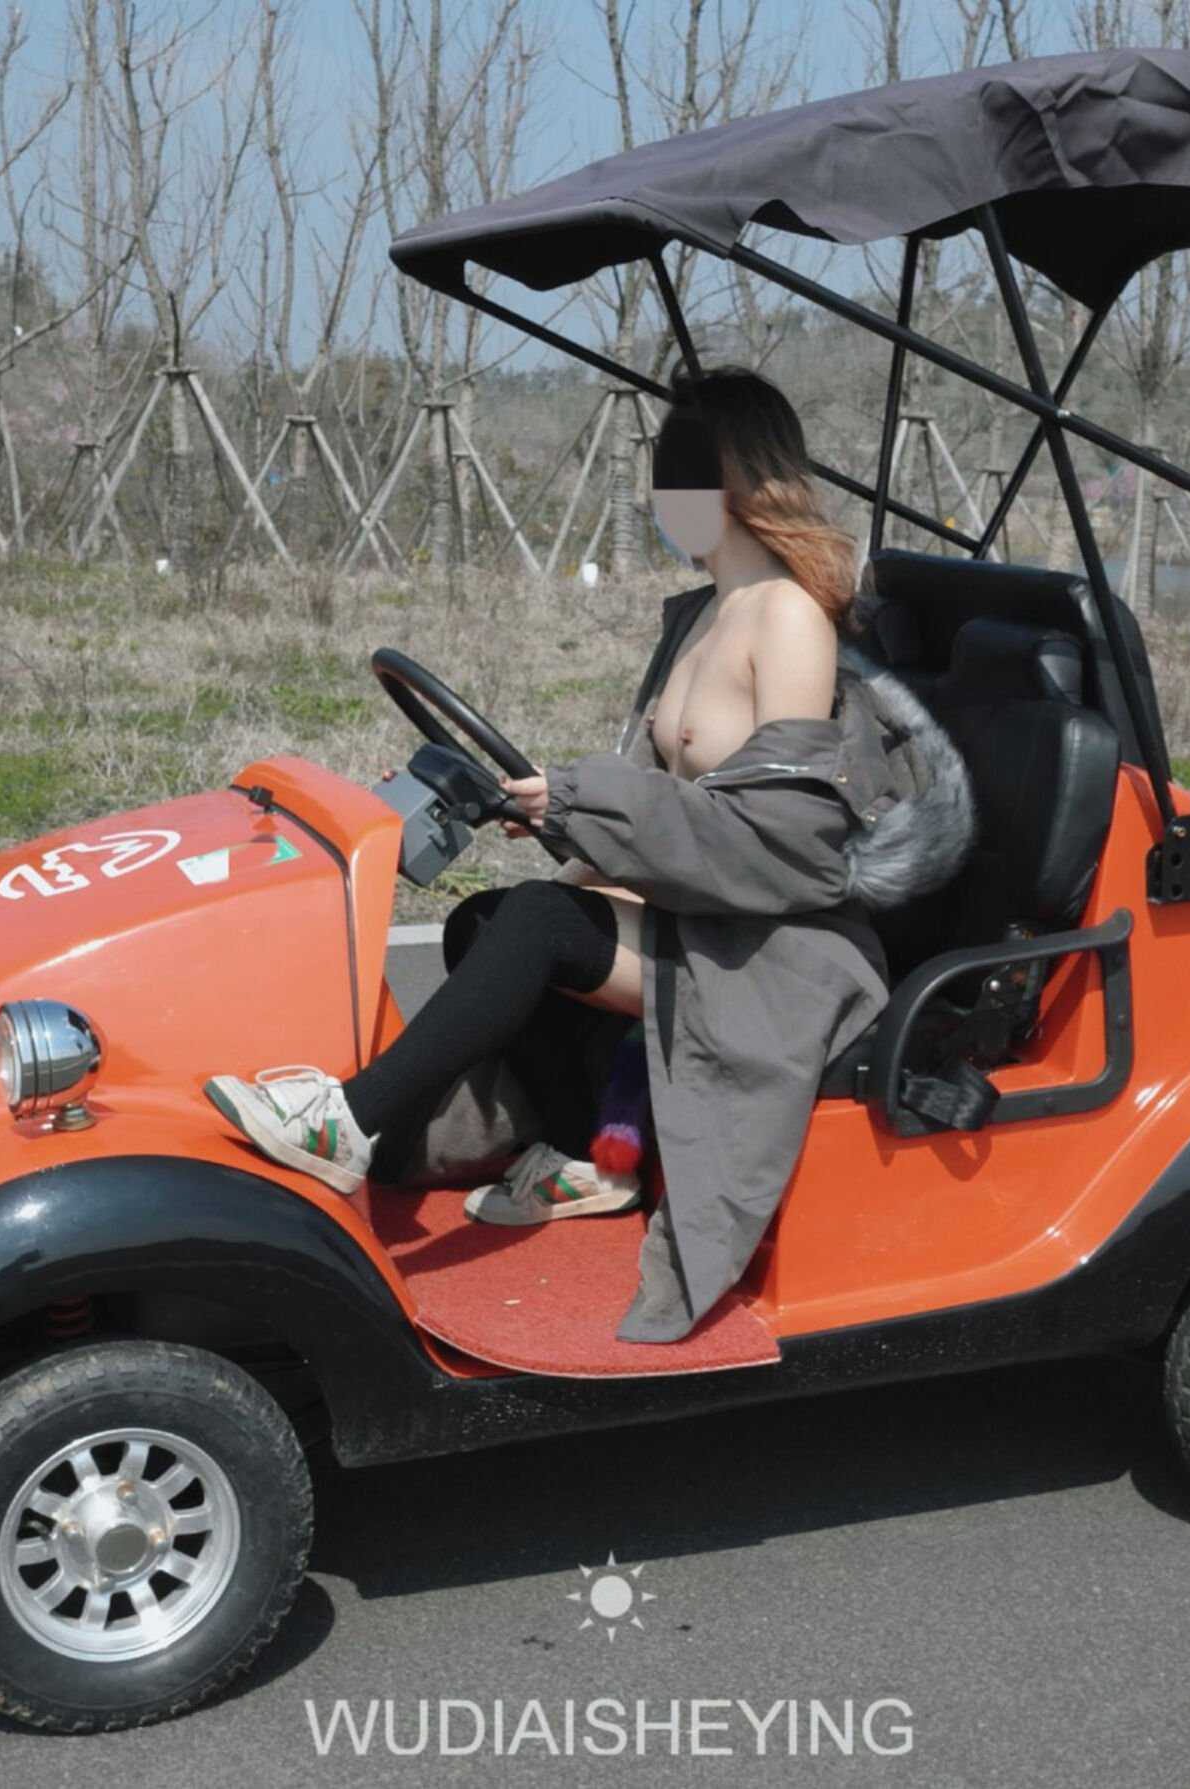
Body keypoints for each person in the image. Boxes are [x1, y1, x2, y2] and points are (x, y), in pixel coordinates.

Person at [205, 367, 971, 1341]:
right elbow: (660, 803)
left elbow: (786, 840)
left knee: (536, 924)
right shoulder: (700, 615)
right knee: (488, 921)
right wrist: (554, 820)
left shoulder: (788, 619)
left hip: (779, 947)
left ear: (739, 476)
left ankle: (344, 1124)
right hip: (706, 913)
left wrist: (585, 808)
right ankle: (583, 1157)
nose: (660, 493)